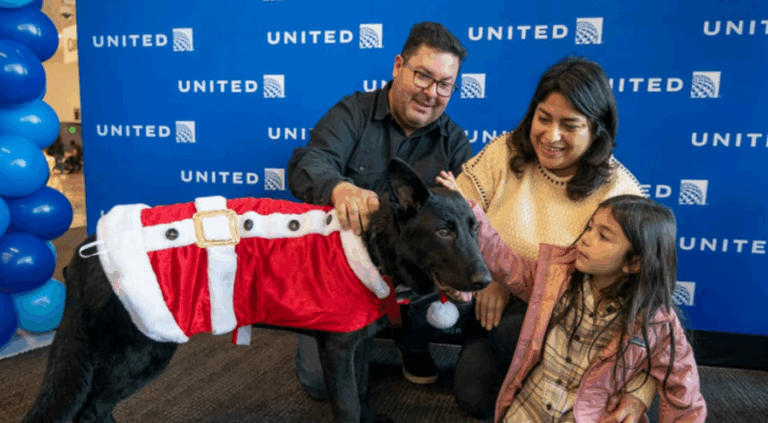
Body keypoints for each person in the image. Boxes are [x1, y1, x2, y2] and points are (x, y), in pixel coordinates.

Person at [449, 56, 658, 422]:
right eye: (543, 118)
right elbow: (455, 215)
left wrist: (639, 392)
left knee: (513, 333)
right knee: (473, 396)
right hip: (494, 307)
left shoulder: (621, 192)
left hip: (577, 327)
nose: (551, 136)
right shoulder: (503, 152)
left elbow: (651, 309)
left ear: (597, 130)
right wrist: (487, 277)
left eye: (570, 125)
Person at [286, 21, 473, 400]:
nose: (431, 93)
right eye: (423, 76)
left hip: (413, 280)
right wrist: (339, 188)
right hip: (343, 275)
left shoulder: (454, 140)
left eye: (445, 85)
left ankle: (412, 342)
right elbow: (309, 162)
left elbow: (470, 218)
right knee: (321, 386)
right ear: (398, 66)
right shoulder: (351, 113)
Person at [438, 178, 708, 422]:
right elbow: (504, 261)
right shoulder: (556, 278)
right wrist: (469, 212)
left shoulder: (656, 322)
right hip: (528, 409)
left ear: (634, 263)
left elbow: (683, 390)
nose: (586, 239)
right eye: (589, 228)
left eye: (603, 236)